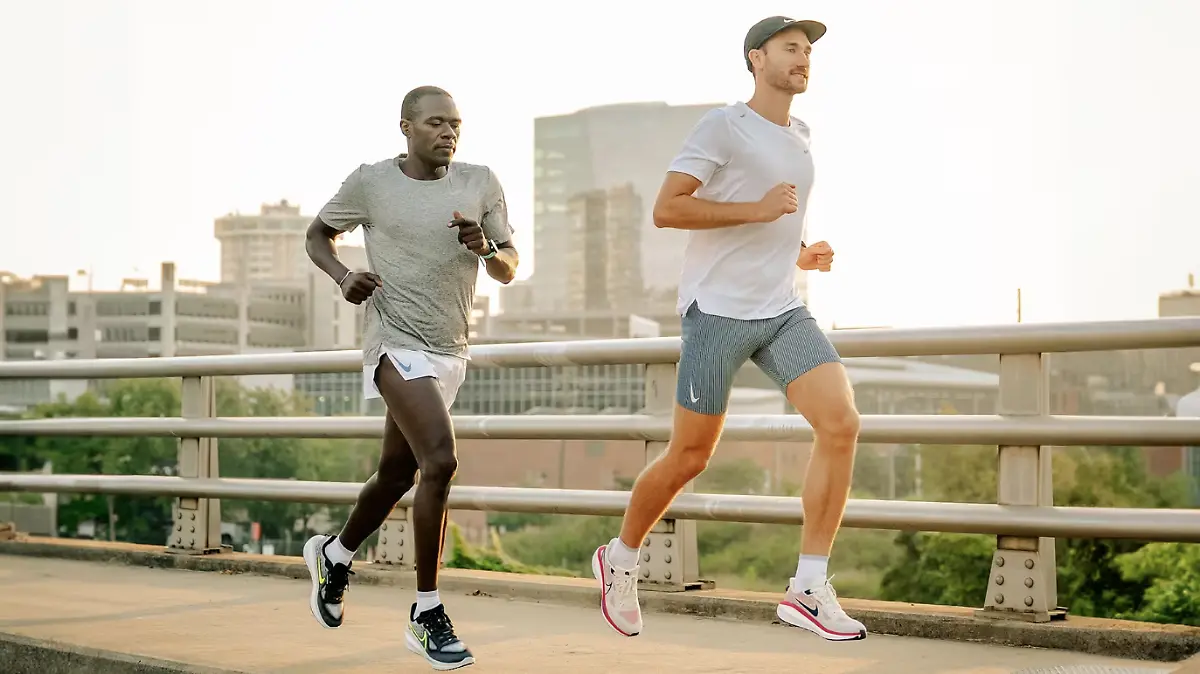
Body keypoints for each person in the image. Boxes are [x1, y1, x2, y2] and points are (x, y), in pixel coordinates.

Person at [592, 17, 867, 642]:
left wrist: (798, 252)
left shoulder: (800, 135)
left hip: (781, 310)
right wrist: (759, 209)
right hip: (716, 312)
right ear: (756, 58)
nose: (803, 60)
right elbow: (669, 209)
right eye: (790, 49)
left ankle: (808, 586)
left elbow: (770, 222)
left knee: (841, 423)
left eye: (807, 52)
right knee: (690, 457)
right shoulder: (722, 125)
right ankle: (622, 557)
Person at [301, 85, 518, 670]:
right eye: (435, 123)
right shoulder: (373, 182)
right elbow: (317, 235)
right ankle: (427, 612)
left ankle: (336, 555)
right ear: (406, 127)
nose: (448, 133)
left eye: (456, 124)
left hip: (450, 350)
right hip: (392, 343)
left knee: (397, 471)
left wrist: (486, 245)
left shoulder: (480, 181)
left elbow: (509, 268)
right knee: (440, 462)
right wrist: (343, 276)